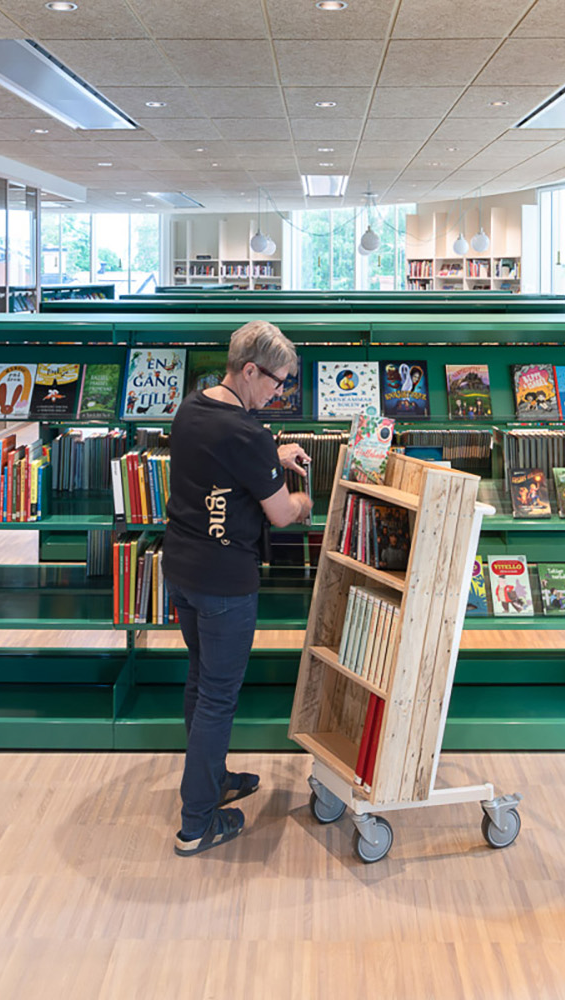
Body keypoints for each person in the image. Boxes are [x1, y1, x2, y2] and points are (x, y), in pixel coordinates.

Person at [163, 319, 313, 856]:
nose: (279, 393)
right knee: (218, 698)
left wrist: (273, 458)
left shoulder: (192, 407)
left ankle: (213, 780)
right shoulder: (249, 434)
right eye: (276, 382)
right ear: (250, 371)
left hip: (182, 570)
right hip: (224, 582)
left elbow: (221, 467)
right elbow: (281, 514)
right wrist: (303, 501)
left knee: (201, 681)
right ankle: (197, 824)